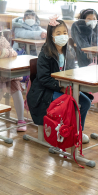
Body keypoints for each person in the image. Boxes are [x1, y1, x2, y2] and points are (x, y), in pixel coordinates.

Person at [26, 15, 91, 143]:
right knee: (71, 104)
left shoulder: (69, 51)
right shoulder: (45, 53)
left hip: (64, 88)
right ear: (51, 35)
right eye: (58, 33)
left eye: (65, 33)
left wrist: (73, 85)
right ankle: (66, 131)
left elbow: (72, 72)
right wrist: (61, 88)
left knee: (85, 102)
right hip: (45, 91)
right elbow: (44, 78)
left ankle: (78, 131)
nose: (63, 36)